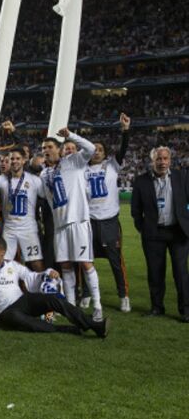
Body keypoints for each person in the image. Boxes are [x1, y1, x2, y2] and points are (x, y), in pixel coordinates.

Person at [0, 237, 109, 338]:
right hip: (4, 312)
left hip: (22, 302)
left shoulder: (12, 265)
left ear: (2, 252)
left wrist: (48, 273)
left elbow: (32, 276)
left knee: (54, 299)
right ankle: (63, 329)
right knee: (19, 319)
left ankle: (93, 325)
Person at [40, 128, 104, 321]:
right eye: (43, 148)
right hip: (60, 226)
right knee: (66, 266)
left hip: (78, 221)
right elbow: (46, 197)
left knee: (85, 263)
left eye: (50, 147)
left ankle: (97, 305)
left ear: (59, 149)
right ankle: (70, 307)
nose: (46, 150)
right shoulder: (44, 174)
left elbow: (91, 148)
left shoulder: (73, 161)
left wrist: (70, 136)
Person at [131, 146, 189, 322]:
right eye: (159, 159)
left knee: (181, 272)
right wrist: (145, 228)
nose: (162, 162)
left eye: (165, 159)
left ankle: (186, 311)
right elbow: (136, 210)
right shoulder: (141, 181)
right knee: (155, 272)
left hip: (178, 232)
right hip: (153, 234)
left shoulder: (182, 177)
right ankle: (157, 307)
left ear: (170, 160)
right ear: (152, 161)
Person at [0, 147, 45, 271]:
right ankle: (6, 289)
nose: (14, 161)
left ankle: (43, 288)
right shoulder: (2, 179)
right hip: (9, 229)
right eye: (12, 159)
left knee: (36, 263)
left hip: (28, 228)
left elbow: (46, 196)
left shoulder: (35, 180)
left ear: (24, 160)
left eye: (17, 159)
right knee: (3, 262)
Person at [85, 113, 131, 312]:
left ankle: (123, 296)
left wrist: (125, 131)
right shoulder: (81, 169)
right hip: (89, 221)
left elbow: (123, 149)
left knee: (115, 262)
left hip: (110, 221)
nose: (96, 152)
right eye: (93, 149)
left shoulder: (112, 165)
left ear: (105, 152)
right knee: (86, 261)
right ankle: (87, 293)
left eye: (100, 149)